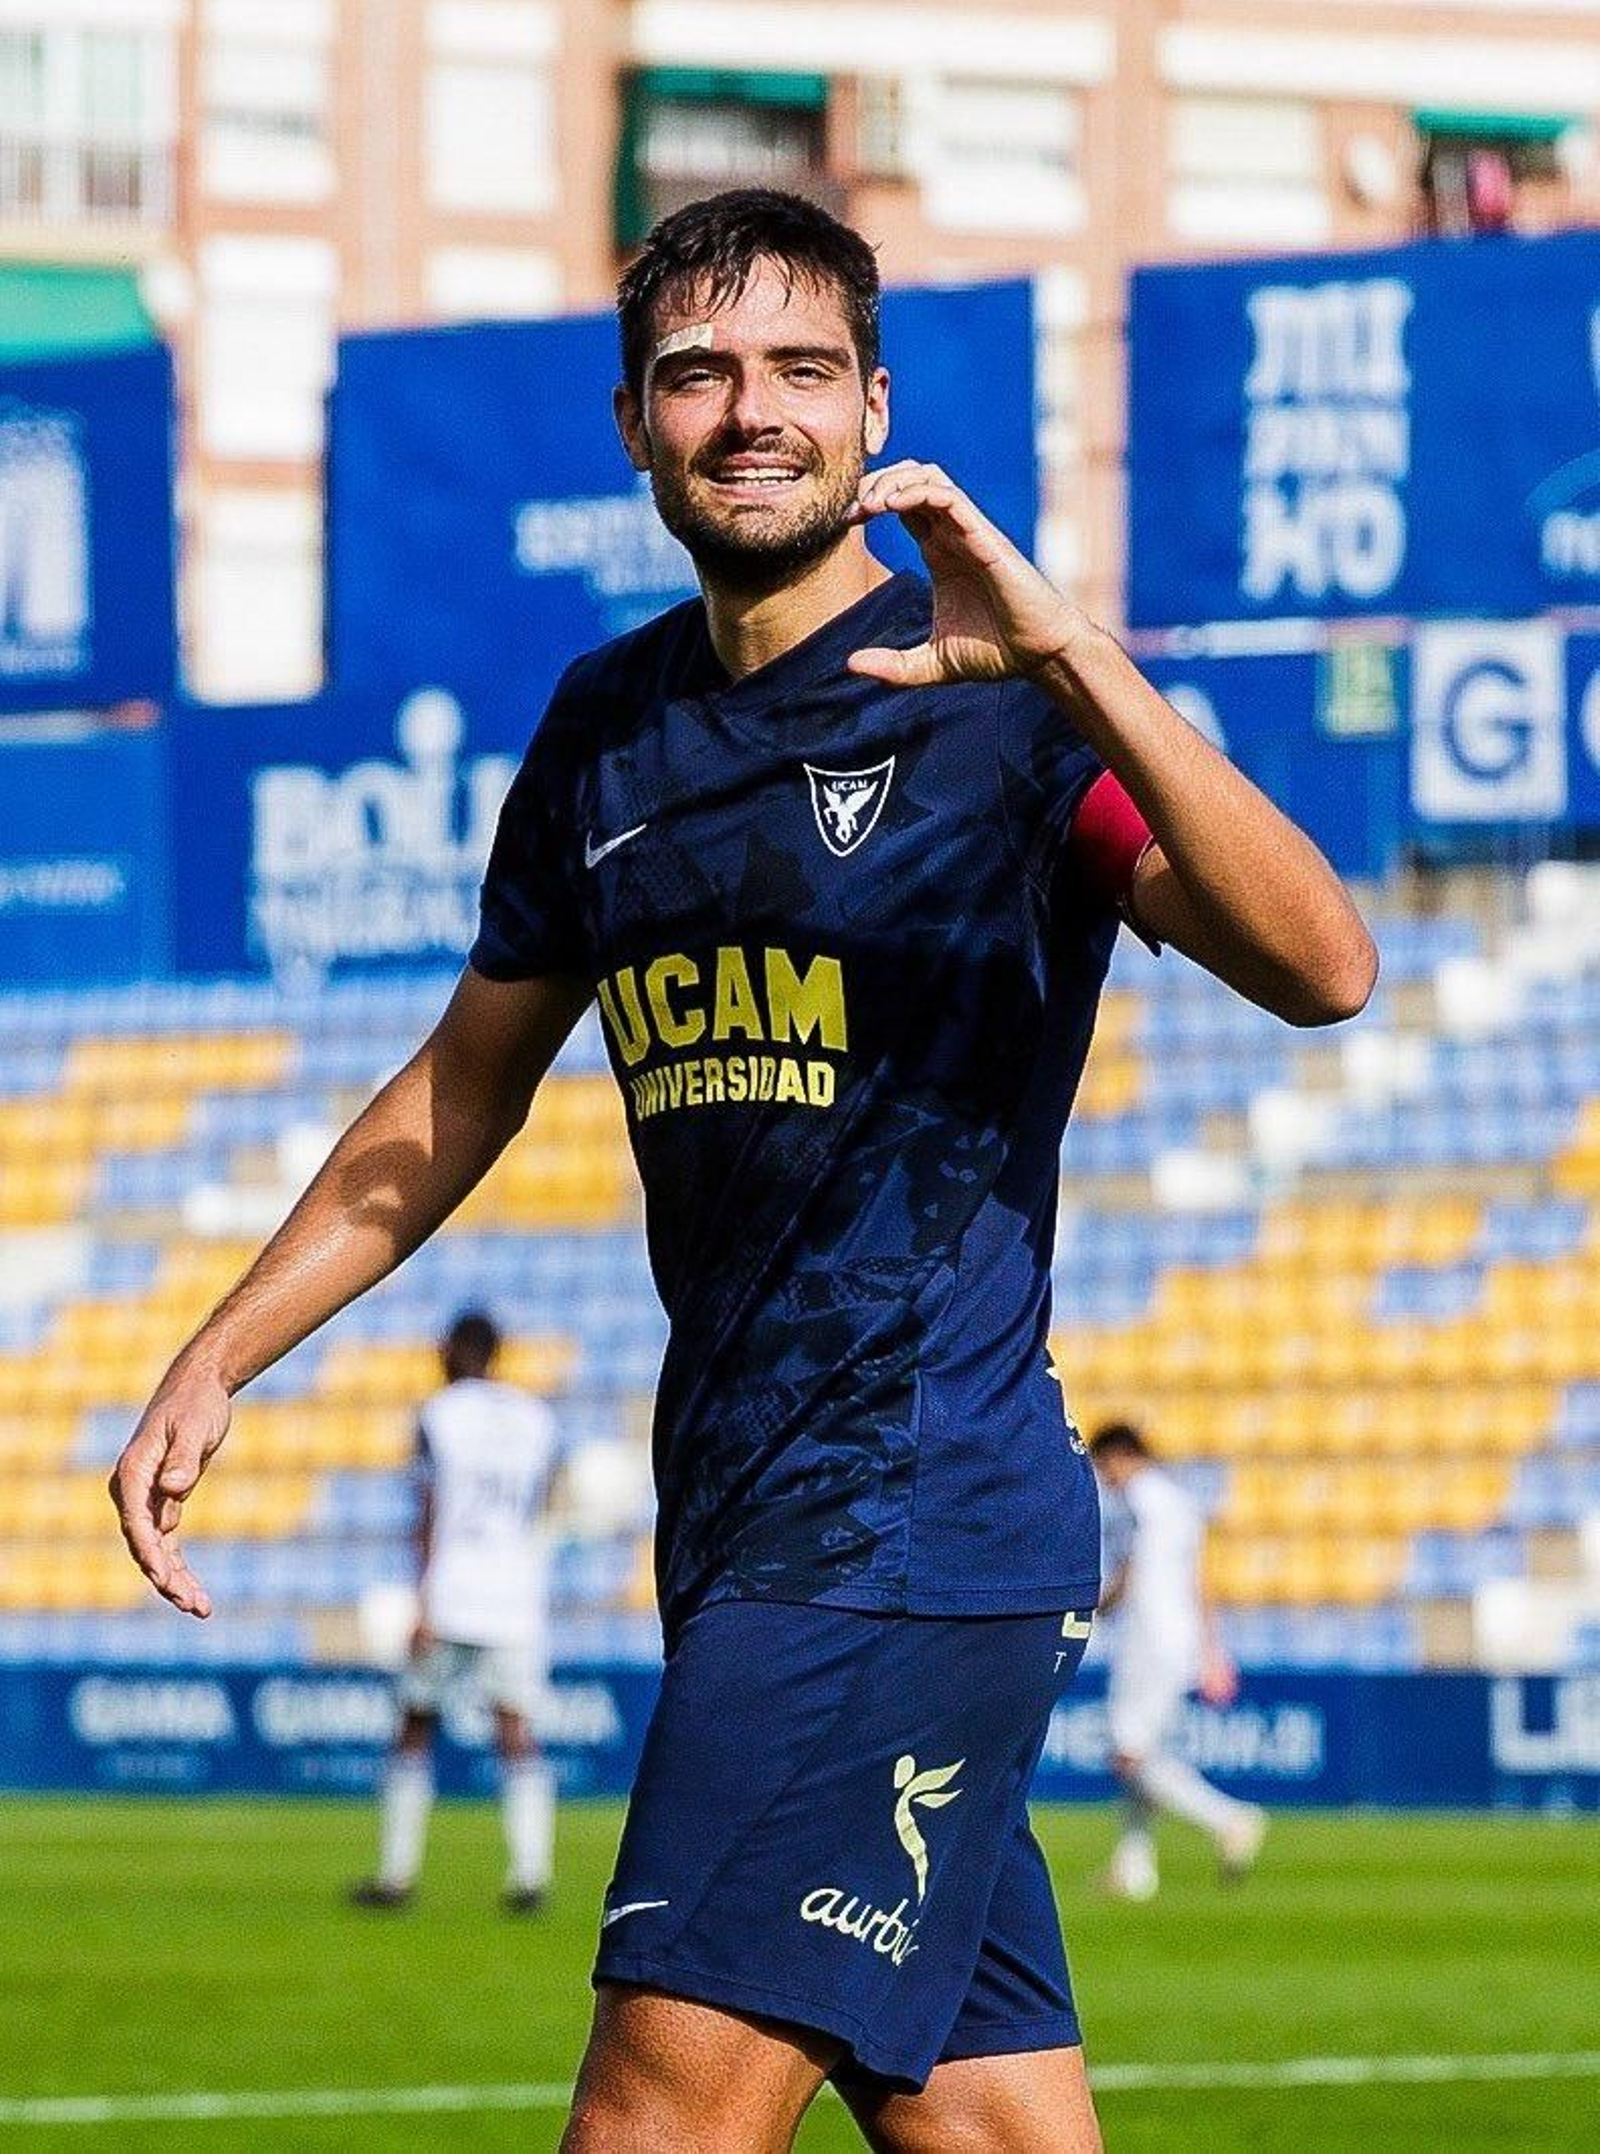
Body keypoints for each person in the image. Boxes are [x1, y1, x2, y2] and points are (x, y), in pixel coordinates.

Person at [111, 188, 1376, 2152]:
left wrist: (1066, 649)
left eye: (800, 369)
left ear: (872, 410)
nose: (749, 410)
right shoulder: (603, 731)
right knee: (983, 2126)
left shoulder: (1004, 709)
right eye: (698, 372)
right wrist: (221, 1349)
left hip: (896, 1525)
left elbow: (1321, 963)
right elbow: (457, 1089)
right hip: (735, 1520)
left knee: (652, 2122)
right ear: (632, 421)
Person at [351, 1309, 559, 1915]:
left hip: (452, 1591)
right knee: (516, 1730)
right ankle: (529, 1876)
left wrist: (422, 1599)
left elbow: (429, 1512)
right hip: (516, 1594)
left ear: (449, 1351)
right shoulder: (535, 1418)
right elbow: (544, 1507)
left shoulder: (438, 1416)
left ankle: (396, 1876)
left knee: (416, 1724)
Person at [1089, 1421, 1266, 1901]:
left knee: (1128, 1755)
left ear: (1121, 1456)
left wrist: (1101, 1603)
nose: (1103, 1476)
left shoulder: (1138, 1502)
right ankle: (1133, 1869)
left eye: (1103, 1464)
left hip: (1146, 1639)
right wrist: (1210, 1648)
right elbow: (1199, 1581)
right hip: (1177, 1639)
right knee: (1145, 1753)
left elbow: (1131, 1567)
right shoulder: (1180, 1501)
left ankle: (1228, 1819)